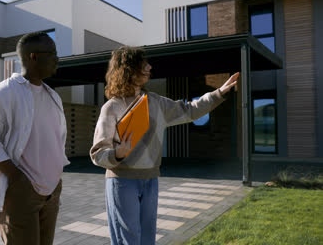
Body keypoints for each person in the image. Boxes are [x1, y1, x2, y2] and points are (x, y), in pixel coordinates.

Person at [90, 46, 239, 245]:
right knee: (128, 240)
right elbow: (98, 153)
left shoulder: (156, 102)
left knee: (147, 240)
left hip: (151, 179)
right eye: (144, 64)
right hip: (122, 182)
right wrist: (117, 153)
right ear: (129, 69)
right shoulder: (112, 107)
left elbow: (189, 110)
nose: (150, 67)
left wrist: (218, 93)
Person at [0, 32, 69, 245]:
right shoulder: (2, 93)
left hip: (51, 192)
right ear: (33, 56)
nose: (57, 59)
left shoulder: (53, 97)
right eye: (52, 53)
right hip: (21, 193)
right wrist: (17, 178)